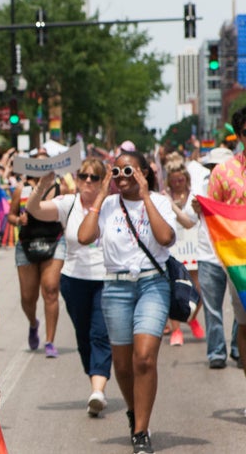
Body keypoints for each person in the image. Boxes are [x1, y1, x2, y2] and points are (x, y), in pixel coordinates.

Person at [78, 150, 176, 454]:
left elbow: (166, 238)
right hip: (116, 287)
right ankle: (136, 413)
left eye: (129, 171)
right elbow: (84, 236)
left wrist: (146, 195)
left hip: (152, 284)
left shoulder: (159, 202)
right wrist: (101, 193)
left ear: (144, 173)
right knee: (121, 365)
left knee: (144, 358)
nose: (122, 177)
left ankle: (141, 431)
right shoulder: (107, 206)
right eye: (116, 172)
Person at [25, 159, 112, 417]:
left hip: (106, 278)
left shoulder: (111, 206)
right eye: (83, 175)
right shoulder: (68, 203)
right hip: (74, 279)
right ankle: (95, 382)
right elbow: (34, 210)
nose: (87, 181)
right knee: (83, 336)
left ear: (102, 181)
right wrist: (42, 186)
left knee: (99, 334)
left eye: (94, 177)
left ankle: (98, 390)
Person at [8, 162, 64, 358]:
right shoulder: (21, 190)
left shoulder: (60, 188)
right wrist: (17, 220)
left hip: (54, 242)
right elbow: (11, 215)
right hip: (27, 244)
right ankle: (33, 323)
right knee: (27, 297)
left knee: (50, 289)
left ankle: (50, 341)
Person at [206, 105, 246, 376]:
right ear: (240, 136)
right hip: (240, 262)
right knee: (245, 325)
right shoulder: (222, 171)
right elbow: (213, 213)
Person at [193, 147, 240, 369]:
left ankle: (238, 349)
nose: (216, 171)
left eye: (219, 166)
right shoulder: (200, 188)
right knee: (213, 308)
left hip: (235, 256)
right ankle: (216, 352)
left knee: (240, 304)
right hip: (208, 255)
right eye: (212, 167)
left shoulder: (238, 183)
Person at [162, 160, 204, 346]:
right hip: (174, 248)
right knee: (175, 291)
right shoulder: (164, 198)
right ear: (169, 181)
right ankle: (176, 330)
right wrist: (169, 203)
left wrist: (174, 206)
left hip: (193, 247)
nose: (178, 183)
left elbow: (190, 222)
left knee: (199, 291)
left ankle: (192, 317)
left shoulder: (194, 196)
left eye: (181, 179)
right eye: (174, 180)